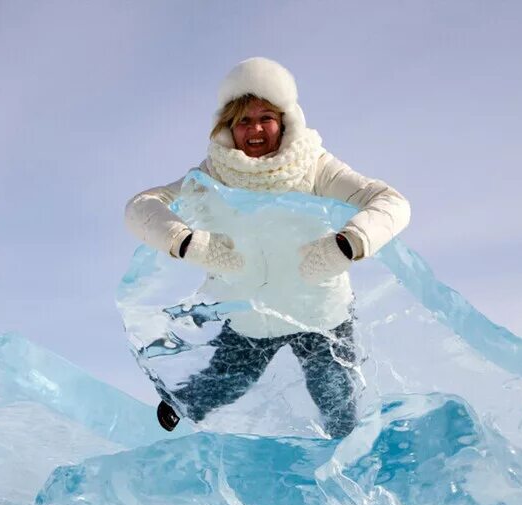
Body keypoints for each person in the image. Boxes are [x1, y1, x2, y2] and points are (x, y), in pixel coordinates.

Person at [124, 57, 410, 438]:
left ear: (284, 121)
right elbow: (141, 207)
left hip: (319, 314)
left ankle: (346, 465)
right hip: (249, 315)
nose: (255, 129)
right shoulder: (213, 174)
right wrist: (189, 243)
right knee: (224, 383)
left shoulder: (315, 165)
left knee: (335, 400)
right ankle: (181, 402)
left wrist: (345, 245)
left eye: (265, 118)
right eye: (243, 120)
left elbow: (391, 202)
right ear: (229, 127)